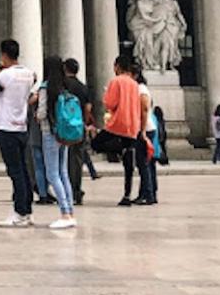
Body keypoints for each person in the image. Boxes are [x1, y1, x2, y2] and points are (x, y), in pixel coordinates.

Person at [0, 38, 38, 227]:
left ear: (4, 55)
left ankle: (19, 212)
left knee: (15, 171)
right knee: (23, 169)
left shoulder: (5, 76)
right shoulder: (29, 74)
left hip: (7, 127)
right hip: (22, 126)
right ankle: (27, 209)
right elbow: (33, 86)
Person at [92, 55, 147, 208]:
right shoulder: (134, 84)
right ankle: (127, 195)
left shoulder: (115, 81)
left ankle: (119, 150)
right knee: (128, 166)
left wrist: (105, 97)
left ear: (117, 66)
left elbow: (110, 103)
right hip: (132, 125)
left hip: (117, 124)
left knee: (96, 144)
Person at [35, 55, 76, 229]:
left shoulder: (46, 87)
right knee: (63, 172)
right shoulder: (65, 86)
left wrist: (36, 115)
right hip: (63, 133)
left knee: (52, 174)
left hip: (49, 133)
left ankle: (64, 213)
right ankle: (70, 211)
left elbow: (42, 113)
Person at [62, 58, 95, 202]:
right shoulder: (83, 87)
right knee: (77, 159)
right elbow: (88, 107)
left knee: (64, 159)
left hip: (64, 127)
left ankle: (67, 189)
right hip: (78, 126)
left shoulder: (63, 86)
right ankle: (76, 189)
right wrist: (84, 121)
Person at [135, 68, 158, 205]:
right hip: (147, 128)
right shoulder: (142, 88)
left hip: (145, 129)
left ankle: (148, 194)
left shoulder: (140, 89)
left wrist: (142, 131)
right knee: (148, 163)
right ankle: (148, 193)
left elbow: (144, 109)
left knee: (144, 163)